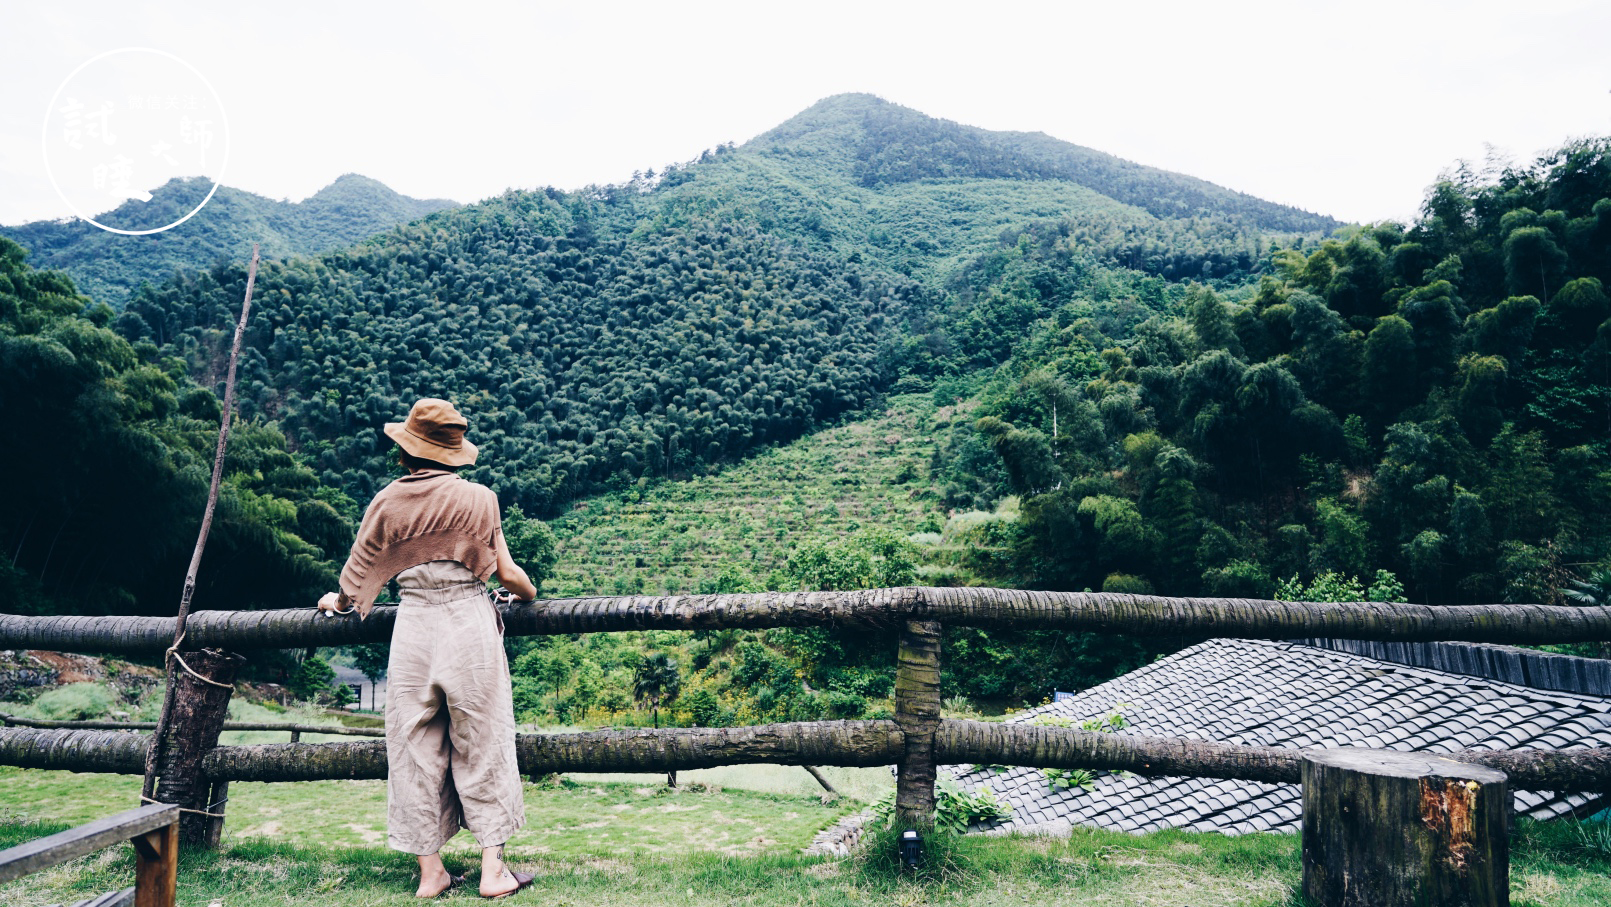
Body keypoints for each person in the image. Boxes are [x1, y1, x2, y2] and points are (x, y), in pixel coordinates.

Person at [317, 398, 536, 899]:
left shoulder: (387, 502)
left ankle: (431, 873)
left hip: (413, 627)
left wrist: (338, 600)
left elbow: (354, 585)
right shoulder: (479, 498)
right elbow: (506, 573)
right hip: (468, 623)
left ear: (407, 450)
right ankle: (492, 870)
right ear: (453, 452)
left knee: (412, 751)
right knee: (484, 741)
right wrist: (529, 596)